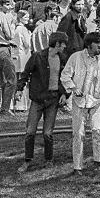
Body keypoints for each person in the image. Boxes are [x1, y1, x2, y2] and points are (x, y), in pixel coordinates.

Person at [60, 31, 100, 174]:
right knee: (78, 134)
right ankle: (77, 166)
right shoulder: (76, 57)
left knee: (97, 131)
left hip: (96, 101)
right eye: (97, 46)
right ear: (89, 45)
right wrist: (73, 87)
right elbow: (65, 75)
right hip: (79, 101)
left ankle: (97, 162)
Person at [18, 32, 69, 170]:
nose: (65, 46)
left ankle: (49, 159)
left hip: (53, 99)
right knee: (30, 131)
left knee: (48, 133)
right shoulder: (37, 57)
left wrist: (64, 94)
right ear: (57, 44)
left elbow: (65, 78)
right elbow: (25, 73)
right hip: (38, 99)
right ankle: (27, 160)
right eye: (63, 43)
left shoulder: (63, 59)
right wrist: (19, 89)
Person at [13, 10, 34, 111]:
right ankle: (22, 104)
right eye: (26, 17)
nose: (28, 19)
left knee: (17, 79)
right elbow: (27, 44)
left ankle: (16, 103)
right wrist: (30, 36)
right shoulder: (23, 29)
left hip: (16, 56)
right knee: (23, 80)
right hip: (24, 56)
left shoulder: (15, 28)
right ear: (20, 18)